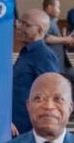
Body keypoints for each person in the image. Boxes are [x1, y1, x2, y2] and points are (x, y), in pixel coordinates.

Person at [12, 8, 59, 136]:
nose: (19, 28)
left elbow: (52, 91)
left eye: (26, 25)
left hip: (29, 131)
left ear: (39, 30)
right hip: (16, 127)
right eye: (20, 22)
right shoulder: (26, 52)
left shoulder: (43, 55)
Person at [42, 0, 74, 121]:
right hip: (53, 62)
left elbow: (55, 39)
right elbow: (46, 38)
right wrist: (66, 39)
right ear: (49, 7)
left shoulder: (53, 21)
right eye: (57, 7)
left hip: (62, 61)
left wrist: (68, 39)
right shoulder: (45, 20)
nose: (59, 10)